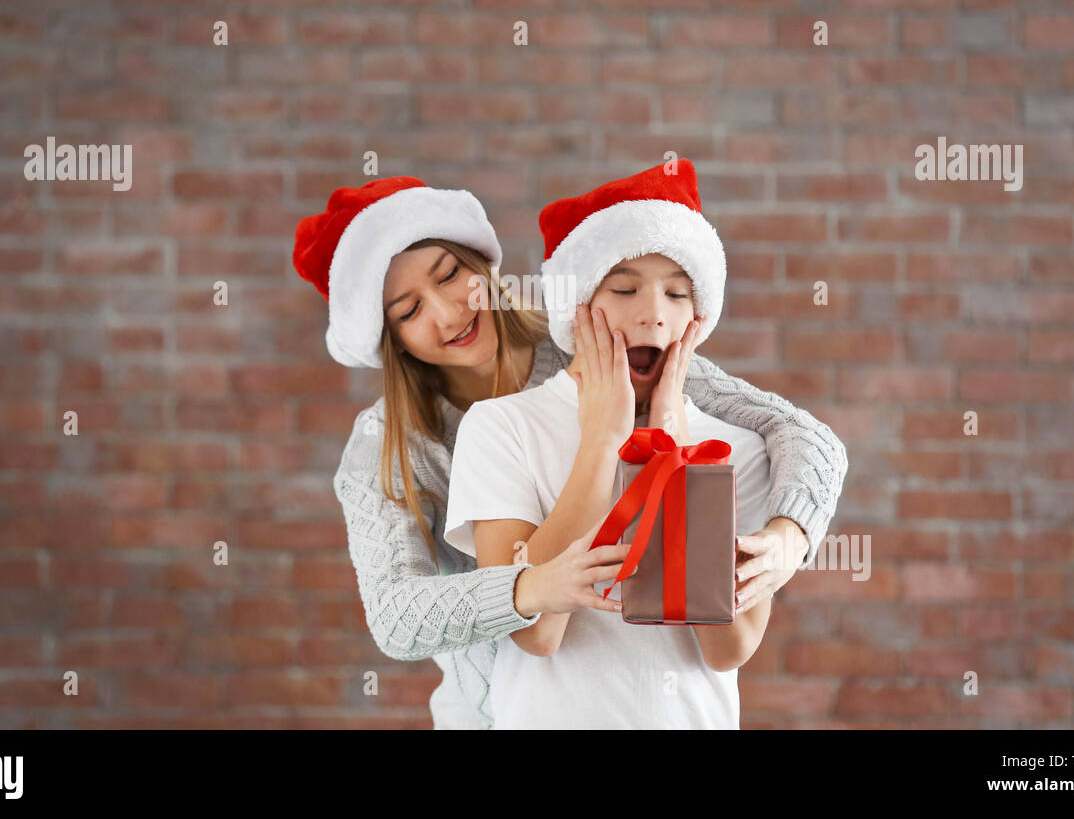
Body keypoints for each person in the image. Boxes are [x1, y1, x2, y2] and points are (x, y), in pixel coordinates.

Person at [292, 168, 848, 728]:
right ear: (390, 340)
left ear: (483, 263)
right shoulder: (386, 445)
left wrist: (788, 536)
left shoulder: (594, 341)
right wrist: (528, 586)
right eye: (408, 311)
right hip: (490, 703)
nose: (447, 312)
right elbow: (395, 617)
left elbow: (799, 433)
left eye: (451, 274)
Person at [445, 160, 799, 728]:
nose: (654, 314)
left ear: (698, 317)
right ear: (577, 305)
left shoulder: (734, 447)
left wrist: (674, 459)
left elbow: (728, 649)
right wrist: (600, 445)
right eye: (625, 287)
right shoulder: (500, 427)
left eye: (678, 294)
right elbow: (534, 632)